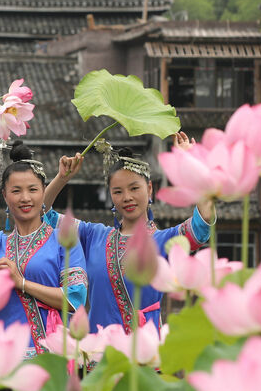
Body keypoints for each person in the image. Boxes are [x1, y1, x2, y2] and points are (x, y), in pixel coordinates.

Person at [42, 133, 215, 332]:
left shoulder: (165, 240)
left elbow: (203, 221)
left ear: (149, 189)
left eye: (134, 188)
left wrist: (192, 165)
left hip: (144, 352)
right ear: (111, 195)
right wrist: (62, 179)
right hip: (99, 353)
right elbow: (43, 215)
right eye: (118, 192)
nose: (127, 197)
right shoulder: (93, 236)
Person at [0, 141, 88, 352]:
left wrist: (21, 283)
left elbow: (75, 298)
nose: (25, 198)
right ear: (4, 195)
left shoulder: (64, 240)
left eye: (32, 190)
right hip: (4, 357)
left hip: (51, 355)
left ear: (42, 193)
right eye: (16, 191)